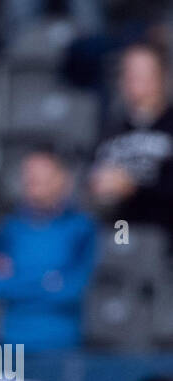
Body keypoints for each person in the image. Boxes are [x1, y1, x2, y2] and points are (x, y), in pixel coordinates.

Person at [0, 149, 96, 352]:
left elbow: (76, 288)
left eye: (42, 175)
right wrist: (47, 281)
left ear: (63, 179)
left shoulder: (82, 228)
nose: (32, 180)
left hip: (61, 344)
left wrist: (16, 282)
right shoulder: (8, 228)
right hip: (10, 344)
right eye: (28, 175)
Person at [90, 41, 173, 241]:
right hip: (122, 234)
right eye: (129, 72)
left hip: (165, 238)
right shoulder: (111, 130)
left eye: (142, 72)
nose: (134, 80)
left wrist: (133, 188)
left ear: (161, 76)